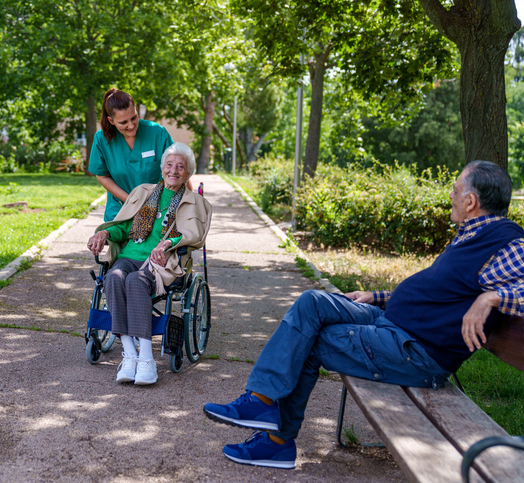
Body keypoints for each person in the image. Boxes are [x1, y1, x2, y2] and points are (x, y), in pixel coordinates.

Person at [203, 160, 524, 469]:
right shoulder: (471, 234)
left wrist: (493, 297)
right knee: (312, 301)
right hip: (394, 326)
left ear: (470, 201)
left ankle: (276, 441)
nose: (450, 196)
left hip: (415, 353)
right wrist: (378, 296)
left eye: (454, 190)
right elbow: (439, 295)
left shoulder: (505, 240)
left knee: (314, 342)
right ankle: (260, 401)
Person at [87, 142, 212, 385]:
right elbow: (123, 225)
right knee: (113, 277)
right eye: (169, 165)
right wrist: (105, 234)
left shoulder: (193, 201)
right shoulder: (143, 192)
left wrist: (167, 244)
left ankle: (147, 360)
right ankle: (130, 355)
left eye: (180, 167)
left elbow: (193, 234)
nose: (173, 170)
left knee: (135, 281)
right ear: (162, 168)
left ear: (188, 173)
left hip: (162, 263)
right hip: (128, 256)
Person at [88, 88, 188, 222]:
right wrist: (132, 201)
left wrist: (189, 202)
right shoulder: (101, 139)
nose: (131, 125)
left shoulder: (157, 133)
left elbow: (179, 170)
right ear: (111, 121)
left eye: (133, 118)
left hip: (157, 211)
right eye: (123, 122)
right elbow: (102, 176)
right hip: (120, 211)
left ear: (136, 109)